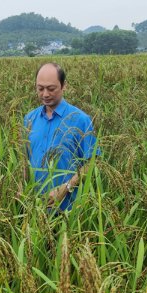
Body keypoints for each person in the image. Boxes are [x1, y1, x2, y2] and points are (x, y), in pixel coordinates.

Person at [24, 63, 99, 211]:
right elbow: (25, 160)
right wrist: (22, 188)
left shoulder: (80, 120)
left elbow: (92, 163)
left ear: (64, 85)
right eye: (40, 89)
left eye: (51, 89)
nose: (45, 94)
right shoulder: (29, 119)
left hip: (69, 210)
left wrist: (66, 187)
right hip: (35, 209)